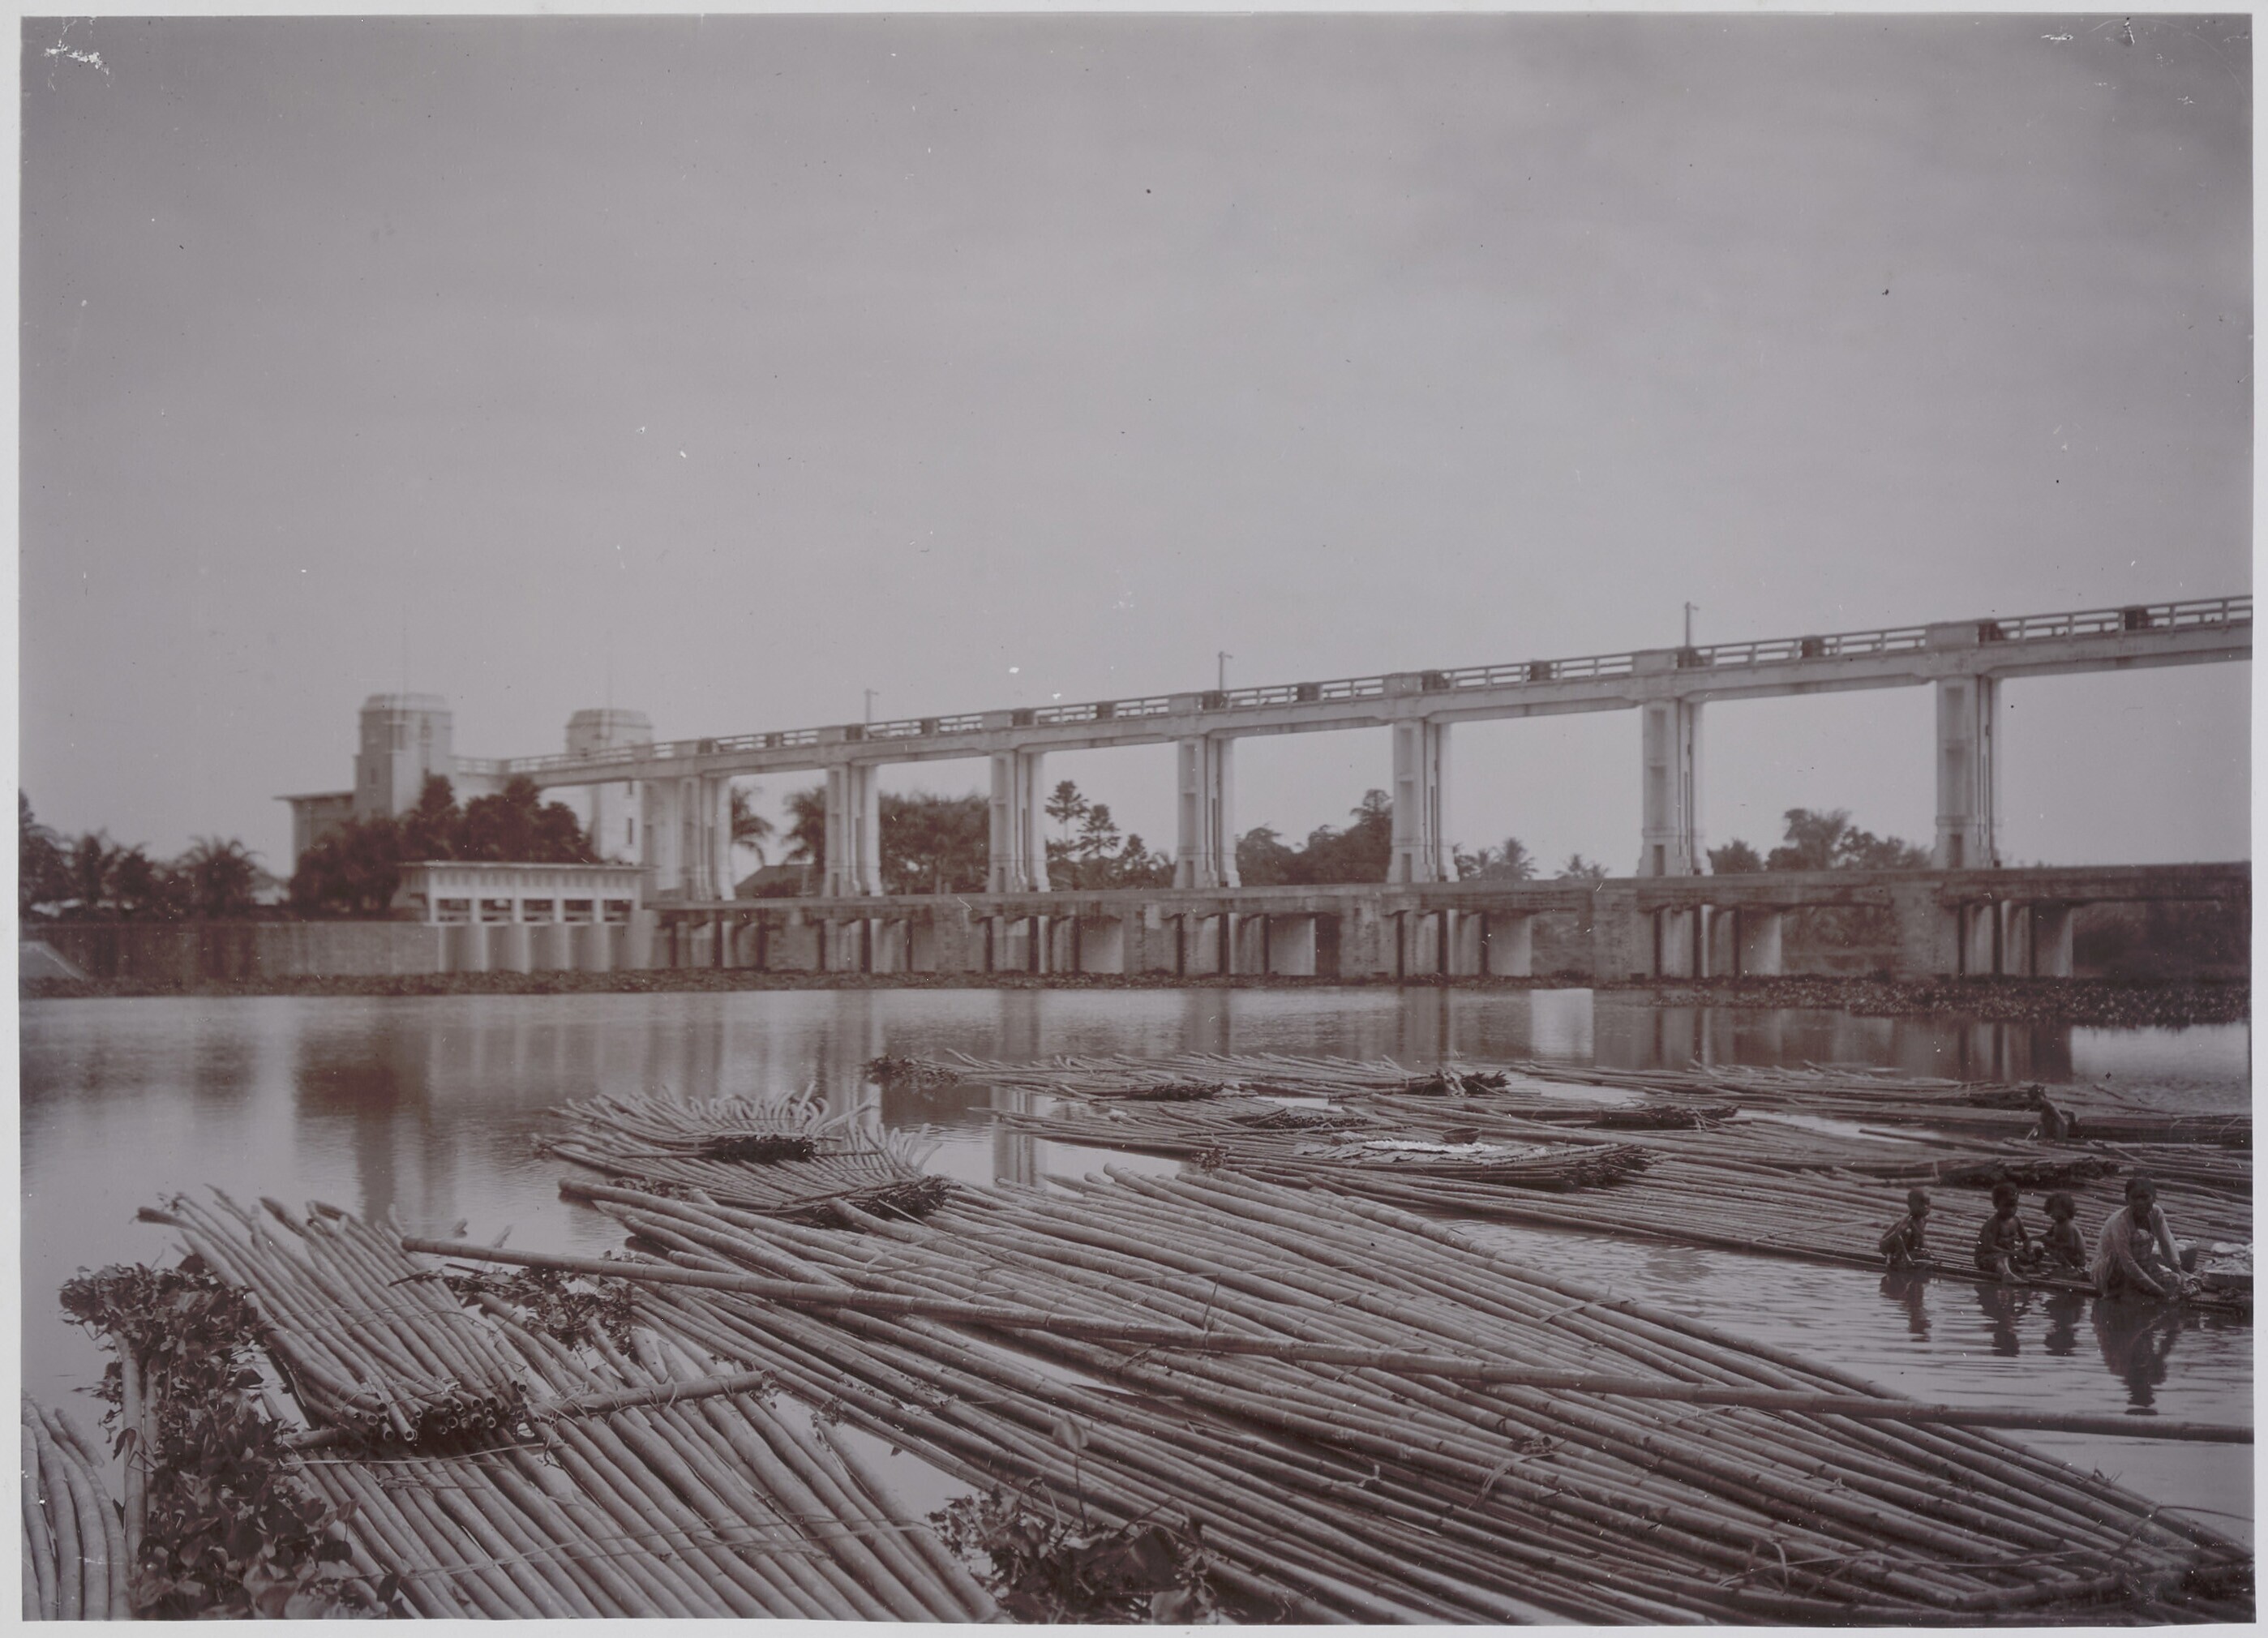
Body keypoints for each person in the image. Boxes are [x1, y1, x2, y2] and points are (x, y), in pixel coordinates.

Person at [2092, 1174, 2184, 1301]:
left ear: (2154, 1197)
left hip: (2140, 1266)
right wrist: (2158, 1290)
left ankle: (2139, 1286)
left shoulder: (2156, 1213)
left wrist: (2178, 1272)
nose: (2140, 1203)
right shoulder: (2120, 1221)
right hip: (2112, 1270)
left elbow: (2166, 1243)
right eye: (2135, 1198)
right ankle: (2126, 1290)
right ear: (2127, 1199)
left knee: (2175, 1280)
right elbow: (2127, 1262)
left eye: (2145, 1197)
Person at [1973, 1181, 2034, 1282]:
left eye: (2014, 1205)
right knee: (2002, 1258)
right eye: (2006, 1206)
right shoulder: (1994, 1222)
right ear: (1996, 1205)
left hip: (2009, 1255)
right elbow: (1989, 1247)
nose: (2011, 1210)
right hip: (1988, 1257)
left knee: (2035, 1253)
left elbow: (2026, 1239)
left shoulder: (2016, 1220)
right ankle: (2006, 1273)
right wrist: (2012, 1252)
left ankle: (2021, 1267)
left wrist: (2028, 1251)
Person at [1879, 1188, 1931, 1270]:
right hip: (1887, 1245)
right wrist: (1906, 1256)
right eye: (1921, 1203)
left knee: (1924, 1251)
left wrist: (1924, 1249)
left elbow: (1921, 1236)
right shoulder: (1908, 1220)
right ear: (1910, 1205)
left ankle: (1904, 1254)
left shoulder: (1923, 1220)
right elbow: (1898, 1236)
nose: (1926, 1207)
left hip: (1902, 1244)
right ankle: (1895, 1256)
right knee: (1907, 1232)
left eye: (1928, 1204)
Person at [2037, 1192, 2088, 1275]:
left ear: (2065, 1210)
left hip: (2077, 1258)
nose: (2052, 1212)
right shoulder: (2057, 1224)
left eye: (2055, 1209)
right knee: (2045, 1247)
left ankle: (2068, 1267)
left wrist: (2052, 1243)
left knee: (2055, 1250)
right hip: (2067, 1253)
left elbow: (2071, 1246)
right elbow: (2046, 1235)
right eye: (2051, 1209)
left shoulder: (2068, 1226)